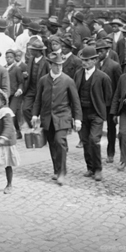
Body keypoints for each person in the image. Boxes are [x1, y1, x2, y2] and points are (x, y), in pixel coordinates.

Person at [24, 51, 81, 186]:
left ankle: (62, 172)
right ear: (50, 65)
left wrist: (77, 119)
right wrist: (34, 115)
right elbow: (38, 99)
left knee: (59, 141)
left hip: (63, 117)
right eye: (56, 65)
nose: (58, 67)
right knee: (52, 143)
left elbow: (76, 102)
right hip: (47, 118)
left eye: (60, 65)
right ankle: (57, 170)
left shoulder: (68, 80)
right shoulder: (43, 80)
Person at [75, 46, 112, 182]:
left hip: (96, 113)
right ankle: (90, 167)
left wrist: (104, 114)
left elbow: (108, 98)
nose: (84, 62)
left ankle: (98, 169)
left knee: (94, 140)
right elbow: (75, 94)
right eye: (83, 60)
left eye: (87, 60)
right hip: (82, 113)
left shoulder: (103, 77)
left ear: (95, 60)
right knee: (85, 141)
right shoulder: (78, 74)